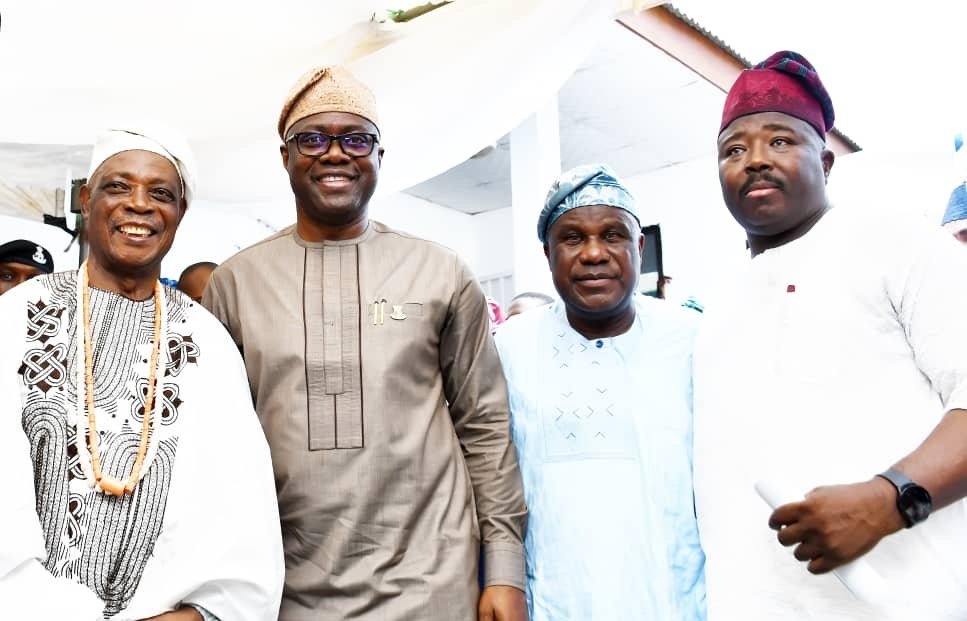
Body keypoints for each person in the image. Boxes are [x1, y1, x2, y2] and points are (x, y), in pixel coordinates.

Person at [203, 65, 527, 621]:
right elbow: (213, 444)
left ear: (379, 155)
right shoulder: (234, 284)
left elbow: (485, 425)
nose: (335, 154)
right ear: (285, 157)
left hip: (431, 586)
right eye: (312, 139)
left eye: (356, 139)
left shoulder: (440, 272)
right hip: (284, 589)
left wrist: (503, 568)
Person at [694, 51, 967, 620]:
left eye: (780, 141)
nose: (755, 160)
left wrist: (891, 499)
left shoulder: (899, 244)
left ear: (825, 160)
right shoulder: (718, 307)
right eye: (733, 150)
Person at [0, 125, 284, 620]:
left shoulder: (208, 341)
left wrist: (202, 613)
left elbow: (241, 503)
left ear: (180, 214)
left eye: (160, 194)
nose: (139, 204)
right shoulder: (18, 315)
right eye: (118, 186)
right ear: (86, 200)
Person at [495, 164, 705, 620]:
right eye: (572, 238)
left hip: (674, 599)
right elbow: (490, 479)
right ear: (547, 254)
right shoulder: (507, 348)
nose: (594, 254)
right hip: (552, 601)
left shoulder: (693, 339)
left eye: (613, 236)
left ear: (639, 247)